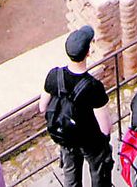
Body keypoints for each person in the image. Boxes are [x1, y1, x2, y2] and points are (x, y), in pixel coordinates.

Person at [41, 26, 113, 187]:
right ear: (88, 52)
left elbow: (42, 107)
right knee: (99, 175)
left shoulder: (54, 76)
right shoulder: (94, 87)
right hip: (91, 140)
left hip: (67, 137)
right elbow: (105, 128)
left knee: (71, 177)